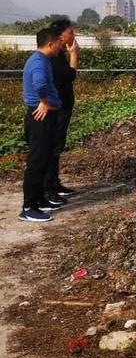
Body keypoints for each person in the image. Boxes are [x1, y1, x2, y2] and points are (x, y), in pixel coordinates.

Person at [19, 28, 64, 222]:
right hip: (40, 118)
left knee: (44, 159)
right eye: (60, 43)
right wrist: (45, 102)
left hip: (46, 117)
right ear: (51, 44)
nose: (62, 46)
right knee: (36, 163)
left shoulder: (42, 60)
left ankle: (39, 199)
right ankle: (28, 207)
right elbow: (39, 84)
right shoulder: (38, 62)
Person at [46, 18, 79, 202]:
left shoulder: (58, 54)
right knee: (53, 146)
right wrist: (74, 54)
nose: (73, 36)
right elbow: (70, 75)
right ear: (61, 35)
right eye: (71, 33)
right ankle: (48, 188)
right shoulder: (54, 56)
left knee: (57, 146)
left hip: (63, 105)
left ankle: (54, 183)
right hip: (57, 107)